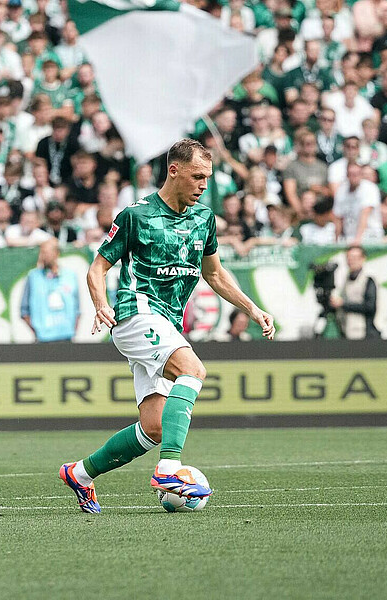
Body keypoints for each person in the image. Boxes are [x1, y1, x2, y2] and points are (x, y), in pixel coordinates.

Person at [60, 139, 276, 513]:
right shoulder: (136, 215)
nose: (203, 185)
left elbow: (215, 274)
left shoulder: (203, 219)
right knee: (192, 369)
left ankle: (80, 474)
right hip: (134, 312)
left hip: (167, 323)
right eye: (197, 176)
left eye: (207, 178)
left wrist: (253, 308)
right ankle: (169, 469)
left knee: (154, 428)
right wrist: (100, 304)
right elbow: (97, 268)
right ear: (173, 170)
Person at [21, 239, 80, 342]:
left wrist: (73, 329)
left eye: (48, 252)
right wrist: (37, 331)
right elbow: (24, 310)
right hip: (42, 338)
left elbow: (77, 308)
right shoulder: (33, 277)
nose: (44, 256)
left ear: (57, 253)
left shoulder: (70, 276)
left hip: (66, 336)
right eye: (42, 252)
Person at [330, 245, 380, 339]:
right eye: (348, 258)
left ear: (363, 259)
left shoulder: (368, 279)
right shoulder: (346, 279)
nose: (351, 261)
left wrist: (343, 304)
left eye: (354, 258)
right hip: (347, 329)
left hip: (364, 332)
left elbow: (370, 306)